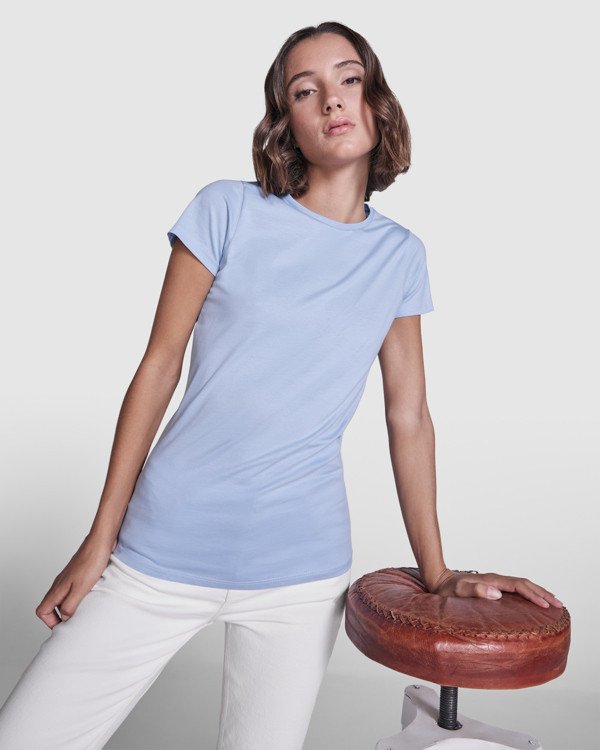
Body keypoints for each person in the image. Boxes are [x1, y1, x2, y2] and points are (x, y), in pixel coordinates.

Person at [0, 20, 563, 750]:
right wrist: (99, 538)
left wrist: (437, 570)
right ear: (285, 122)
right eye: (306, 90)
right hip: (162, 549)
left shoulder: (399, 255)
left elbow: (409, 416)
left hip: (299, 578)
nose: (332, 99)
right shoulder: (225, 210)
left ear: (376, 100)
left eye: (349, 79)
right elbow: (158, 368)